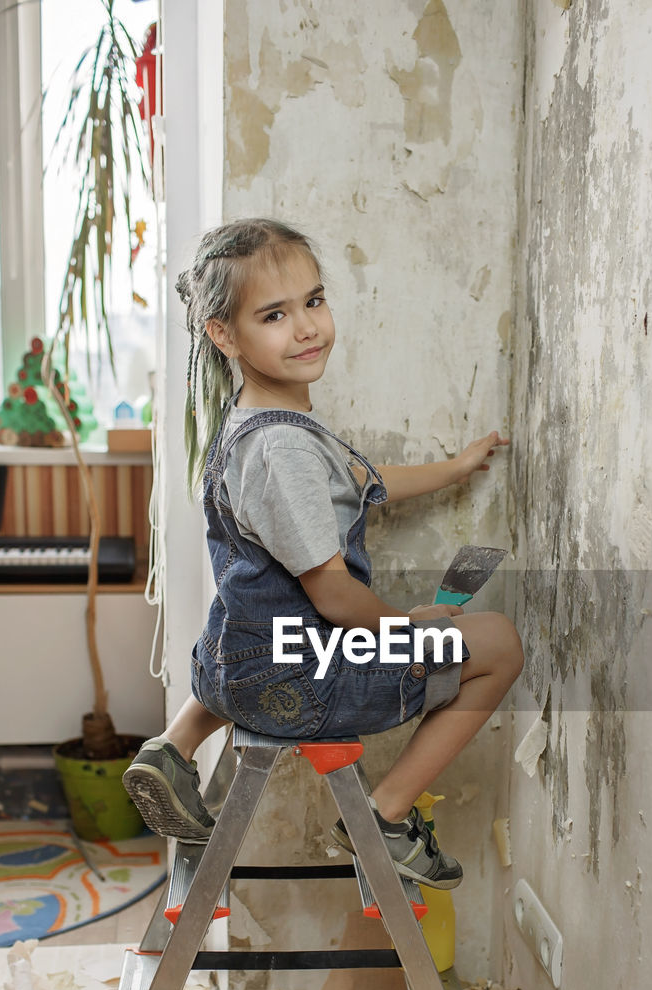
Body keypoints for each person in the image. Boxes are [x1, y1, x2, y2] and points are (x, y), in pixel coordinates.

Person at [123, 217, 523, 889]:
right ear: (223, 334)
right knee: (499, 643)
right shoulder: (284, 450)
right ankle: (386, 818)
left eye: (313, 301)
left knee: (252, 616)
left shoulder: (253, 421)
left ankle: (175, 745)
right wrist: (408, 627)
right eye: (274, 315)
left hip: (229, 668)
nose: (306, 327)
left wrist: (453, 468)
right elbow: (334, 597)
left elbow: (357, 486)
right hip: (299, 681)